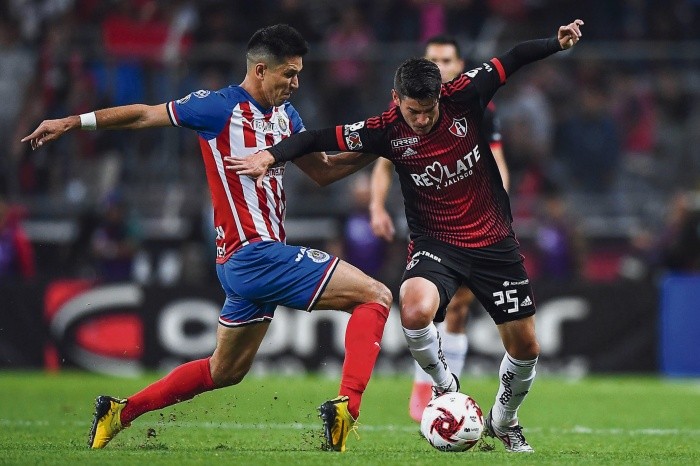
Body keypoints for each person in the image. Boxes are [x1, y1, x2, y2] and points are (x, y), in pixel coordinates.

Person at [22, 24, 391, 453]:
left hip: (243, 264)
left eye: (299, 74)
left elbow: (324, 171)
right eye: (288, 74)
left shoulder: (288, 117)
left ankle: (119, 413)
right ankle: (348, 409)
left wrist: (383, 143)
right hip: (255, 254)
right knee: (376, 296)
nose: (295, 83)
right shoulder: (217, 107)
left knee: (224, 371)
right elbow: (145, 114)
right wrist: (73, 121)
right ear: (260, 70)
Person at [226, 19, 585, 453]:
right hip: (436, 244)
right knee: (413, 310)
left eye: (428, 110)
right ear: (397, 99)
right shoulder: (386, 128)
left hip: (494, 243)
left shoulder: (467, 93)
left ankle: (504, 420)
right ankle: (445, 385)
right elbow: (316, 138)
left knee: (526, 347)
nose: (421, 119)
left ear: (440, 96)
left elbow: (514, 57)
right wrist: (270, 155)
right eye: (413, 111)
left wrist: (556, 43)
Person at [369, 34, 511, 422]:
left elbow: (498, 162)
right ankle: (428, 384)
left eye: (447, 60)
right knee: (425, 306)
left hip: (472, 221)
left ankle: (444, 393)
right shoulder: (405, 110)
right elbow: (383, 164)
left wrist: (495, 209)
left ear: (460, 65)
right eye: (433, 60)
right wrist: (376, 206)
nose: (440, 66)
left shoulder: (478, 106)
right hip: (426, 224)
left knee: (459, 307)